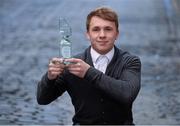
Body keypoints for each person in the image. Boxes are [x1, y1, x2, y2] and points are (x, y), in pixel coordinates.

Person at [37, 7, 141, 125]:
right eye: (96, 29)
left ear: (117, 33)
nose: (102, 35)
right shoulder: (73, 64)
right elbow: (42, 99)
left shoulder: (130, 61)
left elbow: (127, 94)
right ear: (88, 34)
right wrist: (49, 78)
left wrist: (88, 72)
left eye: (108, 29)